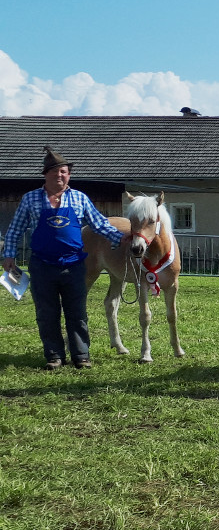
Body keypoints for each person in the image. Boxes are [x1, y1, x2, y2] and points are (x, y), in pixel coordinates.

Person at [3, 147, 127, 369]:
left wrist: (123, 239)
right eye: (54, 171)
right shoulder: (30, 199)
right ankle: (54, 356)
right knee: (46, 312)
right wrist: (9, 255)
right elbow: (14, 230)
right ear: (45, 174)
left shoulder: (80, 198)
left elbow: (99, 224)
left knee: (77, 312)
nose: (59, 175)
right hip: (42, 265)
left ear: (68, 174)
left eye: (64, 171)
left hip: (74, 265)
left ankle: (81, 355)